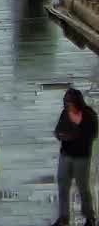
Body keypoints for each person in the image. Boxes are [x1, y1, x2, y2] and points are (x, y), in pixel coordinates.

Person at [55, 86, 97, 226]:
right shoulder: (65, 114)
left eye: (70, 102)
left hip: (81, 157)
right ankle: (63, 217)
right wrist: (61, 135)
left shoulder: (88, 115)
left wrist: (75, 136)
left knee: (83, 187)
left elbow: (92, 134)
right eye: (66, 102)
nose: (68, 105)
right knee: (62, 186)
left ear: (77, 102)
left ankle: (89, 217)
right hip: (65, 155)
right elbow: (58, 130)